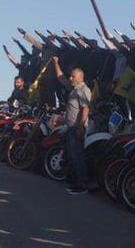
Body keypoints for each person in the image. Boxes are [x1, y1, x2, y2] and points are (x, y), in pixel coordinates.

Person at [53, 57, 91, 195]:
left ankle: (82, 185)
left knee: (77, 156)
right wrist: (56, 63)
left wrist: (81, 127)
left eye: (73, 76)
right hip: (71, 127)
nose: (70, 78)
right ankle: (75, 182)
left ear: (81, 77)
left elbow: (85, 109)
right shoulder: (74, 88)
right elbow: (61, 78)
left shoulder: (83, 90)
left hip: (77, 128)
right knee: (72, 155)